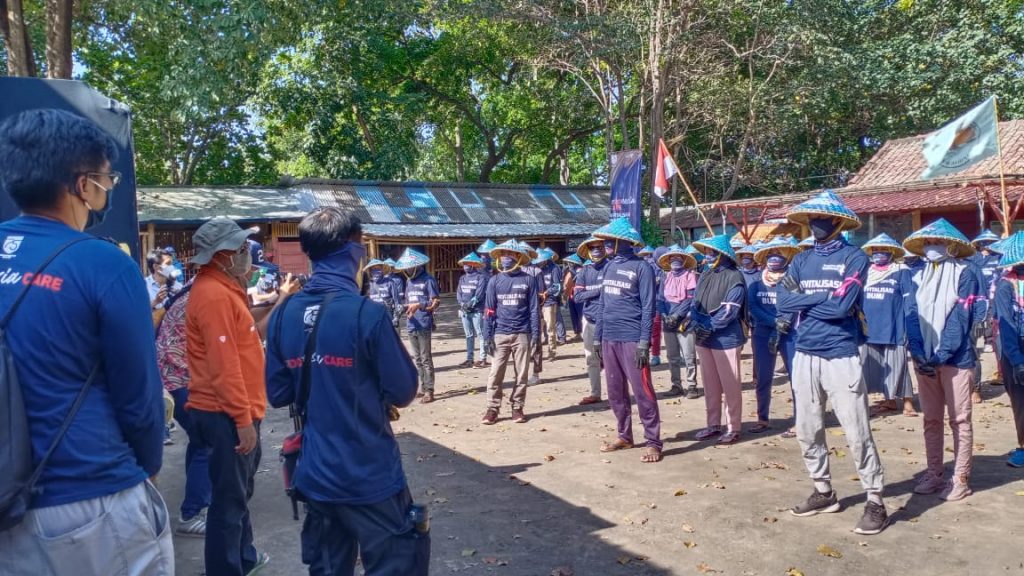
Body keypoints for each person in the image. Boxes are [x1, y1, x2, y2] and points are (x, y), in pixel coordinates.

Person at [0, 109, 172, 575]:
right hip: (87, 499)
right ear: (82, 185)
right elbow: (139, 397)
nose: (109, 188)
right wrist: (147, 466)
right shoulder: (102, 264)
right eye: (106, 178)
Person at [265, 207, 428, 575]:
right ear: (352, 251)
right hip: (370, 475)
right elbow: (403, 390)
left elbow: (277, 393)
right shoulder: (366, 314)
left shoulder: (283, 316)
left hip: (316, 475)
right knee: (395, 564)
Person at [776, 190, 886, 535]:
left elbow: (842, 309)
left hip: (841, 353)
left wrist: (804, 302)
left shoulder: (855, 259)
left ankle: (875, 500)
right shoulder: (800, 259)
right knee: (808, 429)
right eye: (811, 220)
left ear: (837, 221)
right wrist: (823, 295)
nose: (815, 225)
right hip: (805, 353)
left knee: (857, 431)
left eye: (820, 220)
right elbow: (781, 300)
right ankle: (823, 491)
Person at [186, 217, 273, 575]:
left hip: (233, 410)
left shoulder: (223, 290)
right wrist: (242, 420)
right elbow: (225, 367)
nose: (246, 254)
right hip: (226, 413)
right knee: (228, 502)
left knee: (237, 495)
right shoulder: (213, 296)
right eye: (240, 248)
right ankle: (226, 567)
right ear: (222, 256)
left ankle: (243, 558)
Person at [904, 219, 980, 502]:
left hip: (956, 358)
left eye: (936, 243)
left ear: (951, 246)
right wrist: (919, 353)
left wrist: (940, 355)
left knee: (960, 419)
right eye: (927, 244)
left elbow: (961, 319)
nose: (930, 248)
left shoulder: (966, 273)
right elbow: (911, 315)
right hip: (924, 359)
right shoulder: (915, 276)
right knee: (931, 419)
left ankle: (960, 478)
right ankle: (934, 473)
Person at [593, 219, 661, 463]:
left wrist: (645, 343)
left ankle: (653, 442)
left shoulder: (642, 267)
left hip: (632, 338)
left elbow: (648, 308)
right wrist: (598, 338)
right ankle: (625, 435)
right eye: (606, 241)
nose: (606, 245)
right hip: (609, 337)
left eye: (611, 241)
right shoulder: (609, 267)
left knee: (643, 392)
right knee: (615, 392)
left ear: (625, 242)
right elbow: (602, 304)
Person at [155, 271, 213, 538]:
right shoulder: (205, 296)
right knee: (207, 442)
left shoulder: (191, 290)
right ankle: (191, 512)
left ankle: (198, 505)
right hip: (179, 378)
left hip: (171, 377)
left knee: (199, 440)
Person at [688, 235, 747, 444]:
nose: (708, 256)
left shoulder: (735, 277)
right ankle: (713, 424)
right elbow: (695, 301)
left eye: (712, 252)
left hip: (726, 338)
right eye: (706, 252)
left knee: (730, 384)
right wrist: (693, 322)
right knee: (710, 384)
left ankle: (734, 427)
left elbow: (730, 311)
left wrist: (710, 327)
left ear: (723, 254)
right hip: (704, 338)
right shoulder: (706, 273)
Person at [481, 240, 540, 424]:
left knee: (521, 375)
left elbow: (534, 309)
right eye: (503, 254)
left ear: (518, 257)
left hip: (522, 333)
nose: (506, 257)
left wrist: (536, 335)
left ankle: (517, 407)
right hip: (500, 333)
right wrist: (486, 335)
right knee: (495, 374)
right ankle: (492, 409)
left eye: (510, 254)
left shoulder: (528, 280)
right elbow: (489, 310)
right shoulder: (494, 280)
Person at [747, 236, 800, 434]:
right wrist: (772, 323)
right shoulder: (755, 283)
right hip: (762, 333)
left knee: (796, 378)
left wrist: (781, 325)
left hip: (789, 334)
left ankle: (799, 420)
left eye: (779, 255)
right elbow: (753, 307)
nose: (774, 258)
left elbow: (794, 304)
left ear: (787, 258)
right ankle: (762, 418)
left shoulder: (792, 281)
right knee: (763, 377)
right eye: (770, 254)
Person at [860, 233, 917, 417]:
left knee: (899, 365)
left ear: (892, 252)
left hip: (894, 326)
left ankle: (908, 403)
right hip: (869, 328)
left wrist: (910, 324)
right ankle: (889, 401)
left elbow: (910, 300)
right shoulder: (865, 272)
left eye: (883, 250)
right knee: (873, 368)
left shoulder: (902, 270)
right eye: (875, 250)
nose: (879, 253)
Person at [992, 231, 1024, 467]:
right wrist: (1017, 360)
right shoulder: (1005, 285)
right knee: (1021, 402)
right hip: (1015, 349)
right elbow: (1006, 322)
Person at [395, 248, 440, 403]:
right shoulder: (408, 281)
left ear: (416, 266)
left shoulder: (428, 279)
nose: (407, 270)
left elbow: (435, 302)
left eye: (409, 267)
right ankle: (422, 387)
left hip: (424, 323)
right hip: (411, 323)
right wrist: (405, 308)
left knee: (426, 358)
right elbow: (408, 301)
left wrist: (419, 305)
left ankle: (430, 390)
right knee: (417, 359)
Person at [657, 244, 700, 399]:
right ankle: (676, 385)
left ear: (683, 259)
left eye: (678, 257)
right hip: (668, 321)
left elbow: (690, 299)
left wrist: (677, 315)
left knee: (689, 355)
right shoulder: (665, 277)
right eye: (672, 258)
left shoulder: (690, 276)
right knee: (672, 356)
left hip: (685, 321)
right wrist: (663, 314)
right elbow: (660, 299)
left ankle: (692, 385)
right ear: (668, 260)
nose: (675, 260)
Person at [574, 237, 609, 405]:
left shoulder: (611, 267)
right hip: (589, 320)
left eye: (600, 247)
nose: (597, 250)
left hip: (610, 320)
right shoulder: (584, 272)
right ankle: (595, 393)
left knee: (611, 359)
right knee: (592, 359)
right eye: (593, 247)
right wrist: (598, 291)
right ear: (588, 250)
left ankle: (617, 393)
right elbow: (578, 296)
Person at [970, 229, 1003, 395]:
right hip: (977, 296)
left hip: (995, 294)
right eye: (985, 243)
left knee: (994, 325)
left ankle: (990, 342)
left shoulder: (999, 258)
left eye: (990, 243)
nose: (987, 246)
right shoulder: (973, 259)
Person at [456, 251, 489, 368]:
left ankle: (483, 358)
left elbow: (479, 295)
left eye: (467, 264)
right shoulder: (462, 278)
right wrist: (462, 304)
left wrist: (470, 304)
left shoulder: (481, 278)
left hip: (477, 311)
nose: (465, 266)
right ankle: (469, 359)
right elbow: (459, 293)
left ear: (473, 265)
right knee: (468, 335)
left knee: (480, 334)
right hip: (465, 311)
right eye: (464, 264)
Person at [535, 247, 563, 361]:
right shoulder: (537, 269)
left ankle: (552, 352)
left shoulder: (554, 268)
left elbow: (557, 286)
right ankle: (538, 352)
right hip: (538, 302)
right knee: (538, 328)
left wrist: (547, 292)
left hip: (550, 301)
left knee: (550, 328)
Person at [637, 245, 663, 366]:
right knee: (651, 331)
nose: (647, 258)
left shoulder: (666, 268)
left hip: (664, 303)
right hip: (650, 303)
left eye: (649, 255)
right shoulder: (646, 268)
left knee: (661, 331)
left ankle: (657, 355)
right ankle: (652, 354)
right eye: (644, 256)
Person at [365, 258, 402, 328]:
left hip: (388, 317)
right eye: (373, 269)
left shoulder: (390, 282)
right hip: (373, 319)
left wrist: (396, 318)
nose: (376, 271)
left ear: (382, 269)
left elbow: (397, 302)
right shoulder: (368, 284)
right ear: (370, 271)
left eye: (378, 268)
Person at [562, 253, 584, 339]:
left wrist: (565, 294)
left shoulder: (578, 271)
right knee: (576, 315)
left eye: (569, 263)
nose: (568, 264)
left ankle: (580, 332)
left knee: (579, 315)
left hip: (577, 295)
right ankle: (579, 332)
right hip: (574, 295)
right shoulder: (573, 271)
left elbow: (568, 284)